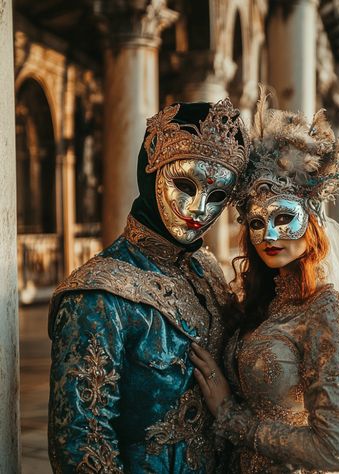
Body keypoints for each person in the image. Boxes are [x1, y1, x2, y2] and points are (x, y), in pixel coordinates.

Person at [190, 90, 339, 473]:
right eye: (257, 224)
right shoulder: (260, 305)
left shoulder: (330, 312)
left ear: (311, 221)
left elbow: (333, 450)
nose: (270, 237)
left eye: (282, 218)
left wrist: (231, 416)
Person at [48, 99, 249, 473]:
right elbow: (82, 445)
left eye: (217, 195)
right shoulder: (98, 296)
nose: (198, 209)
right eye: (185, 185)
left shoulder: (206, 270)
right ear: (151, 170)